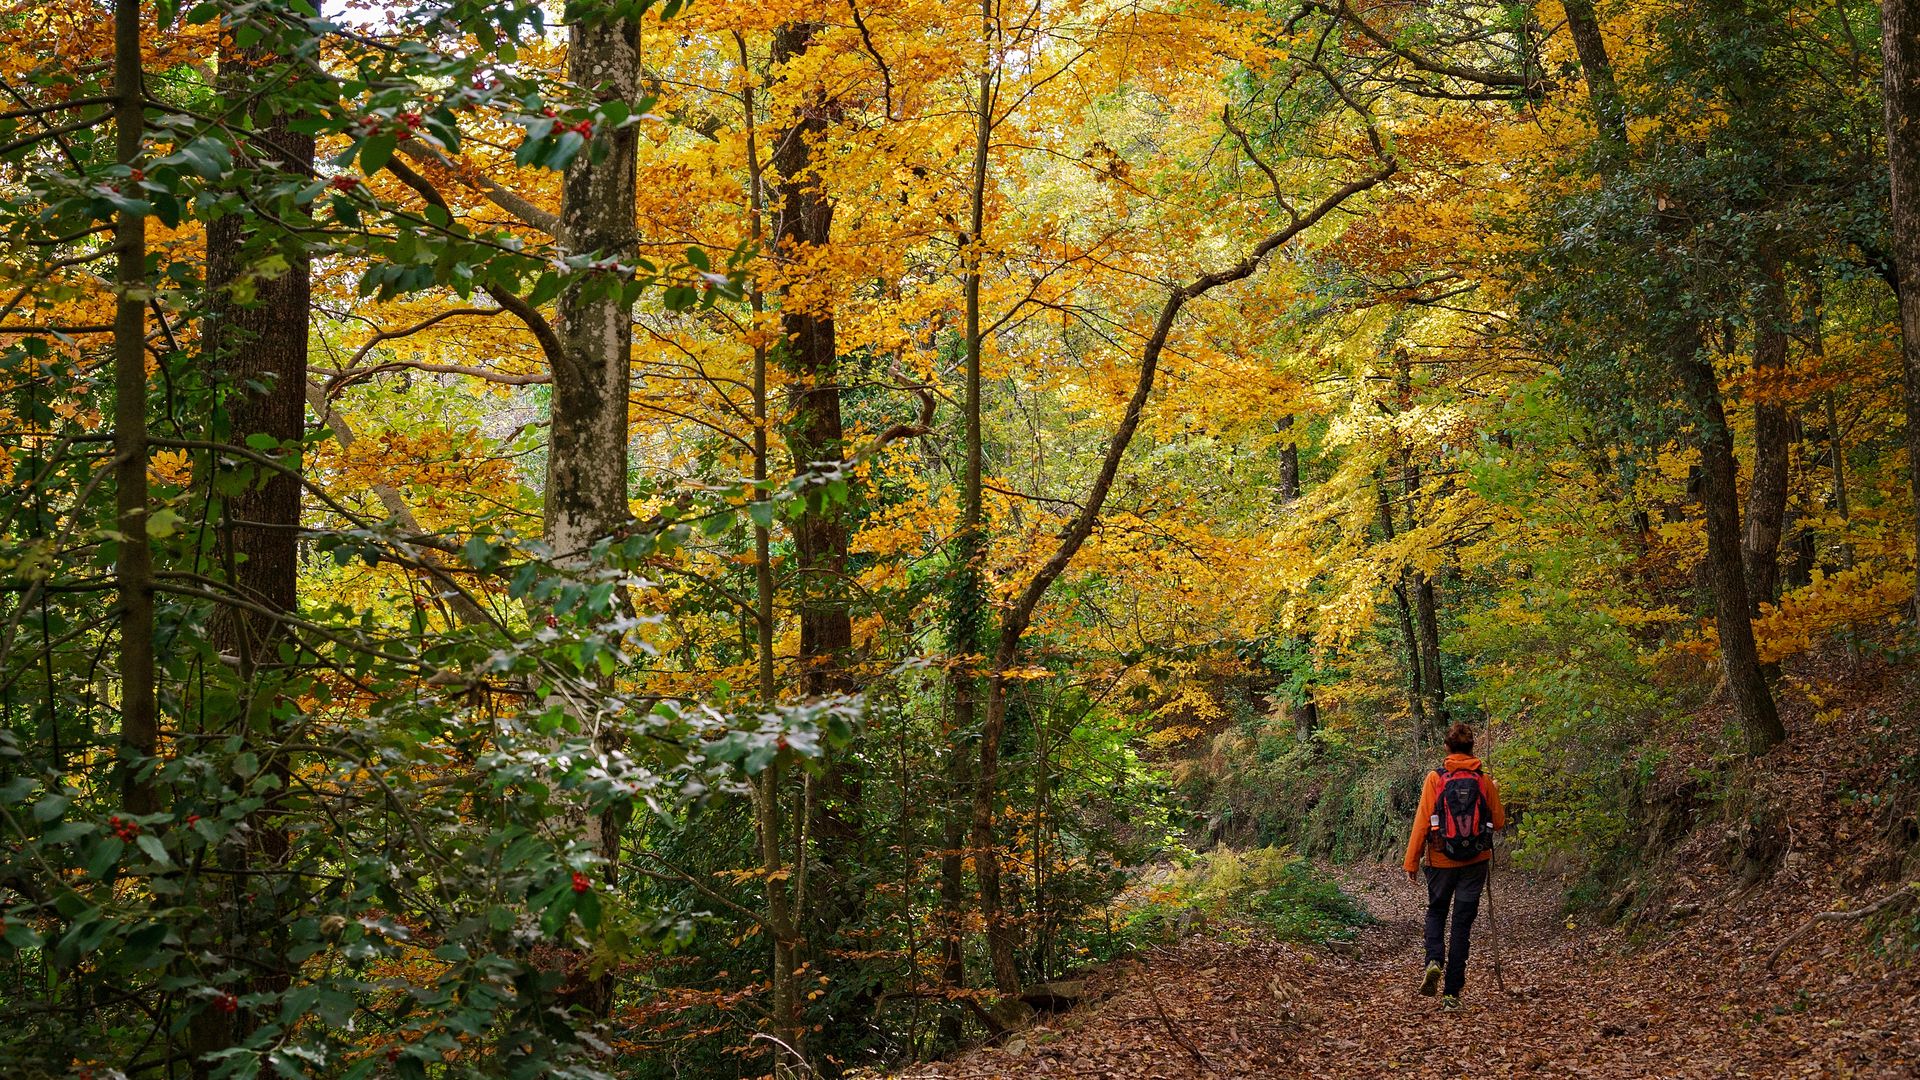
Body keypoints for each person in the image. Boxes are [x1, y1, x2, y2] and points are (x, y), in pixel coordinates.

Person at [1403, 721, 1505, 1008]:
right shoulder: (1484, 780)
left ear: (1446, 748)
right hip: (1475, 861)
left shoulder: (1435, 778)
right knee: (1461, 925)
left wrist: (1411, 861)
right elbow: (1497, 822)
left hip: (1439, 859)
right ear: (1472, 747)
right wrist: (1494, 791)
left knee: (1436, 912)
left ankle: (1434, 959)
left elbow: (1422, 821)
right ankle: (1451, 994)